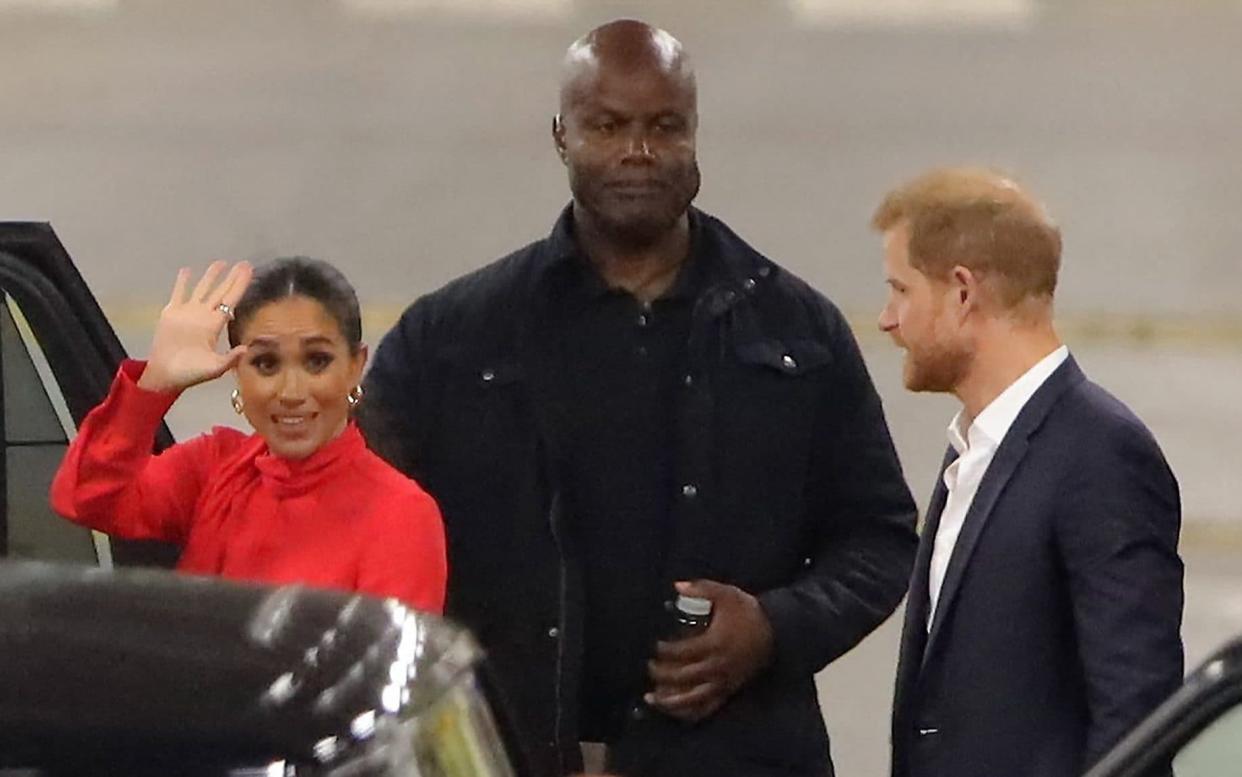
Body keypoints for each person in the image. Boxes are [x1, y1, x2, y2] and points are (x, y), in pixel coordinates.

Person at [360, 18, 917, 777]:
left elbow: (880, 537)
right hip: (508, 753)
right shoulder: (452, 338)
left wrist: (773, 627)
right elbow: (355, 517)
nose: (638, 151)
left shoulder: (797, 330)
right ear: (561, 134)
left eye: (665, 127)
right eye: (607, 125)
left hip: (734, 757)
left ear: (694, 135)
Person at [874, 167, 1184, 777]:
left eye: (901, 290)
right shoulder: (974, 449)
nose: (887, 319)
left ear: (963, 293)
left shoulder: (1100, 455)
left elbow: (1136, 713)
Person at [51, 257, 447, 613]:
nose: (291, 392)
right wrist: (154, 385)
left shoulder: (401, 516)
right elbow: (86, 497)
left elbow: (383, 684)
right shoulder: (214, 467)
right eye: (266, 363)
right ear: (237, 371)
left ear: (355, 366)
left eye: (316, 361)